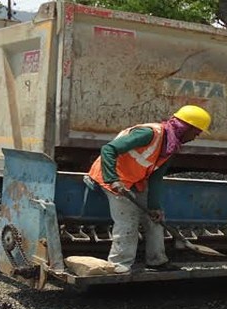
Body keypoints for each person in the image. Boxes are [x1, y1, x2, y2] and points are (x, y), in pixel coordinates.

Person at [86, 105, 211, 274]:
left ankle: (157, 261)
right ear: (185, 127)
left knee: (156, 218)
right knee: (128, 221)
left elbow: (156, 177)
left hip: (135, 180)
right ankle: (119, 266)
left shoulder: (170, 146)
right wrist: (113, 180)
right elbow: (109, 149)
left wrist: (154, 206)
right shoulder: (149, 133)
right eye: (196, 132)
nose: (196, 137)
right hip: (112, 178)